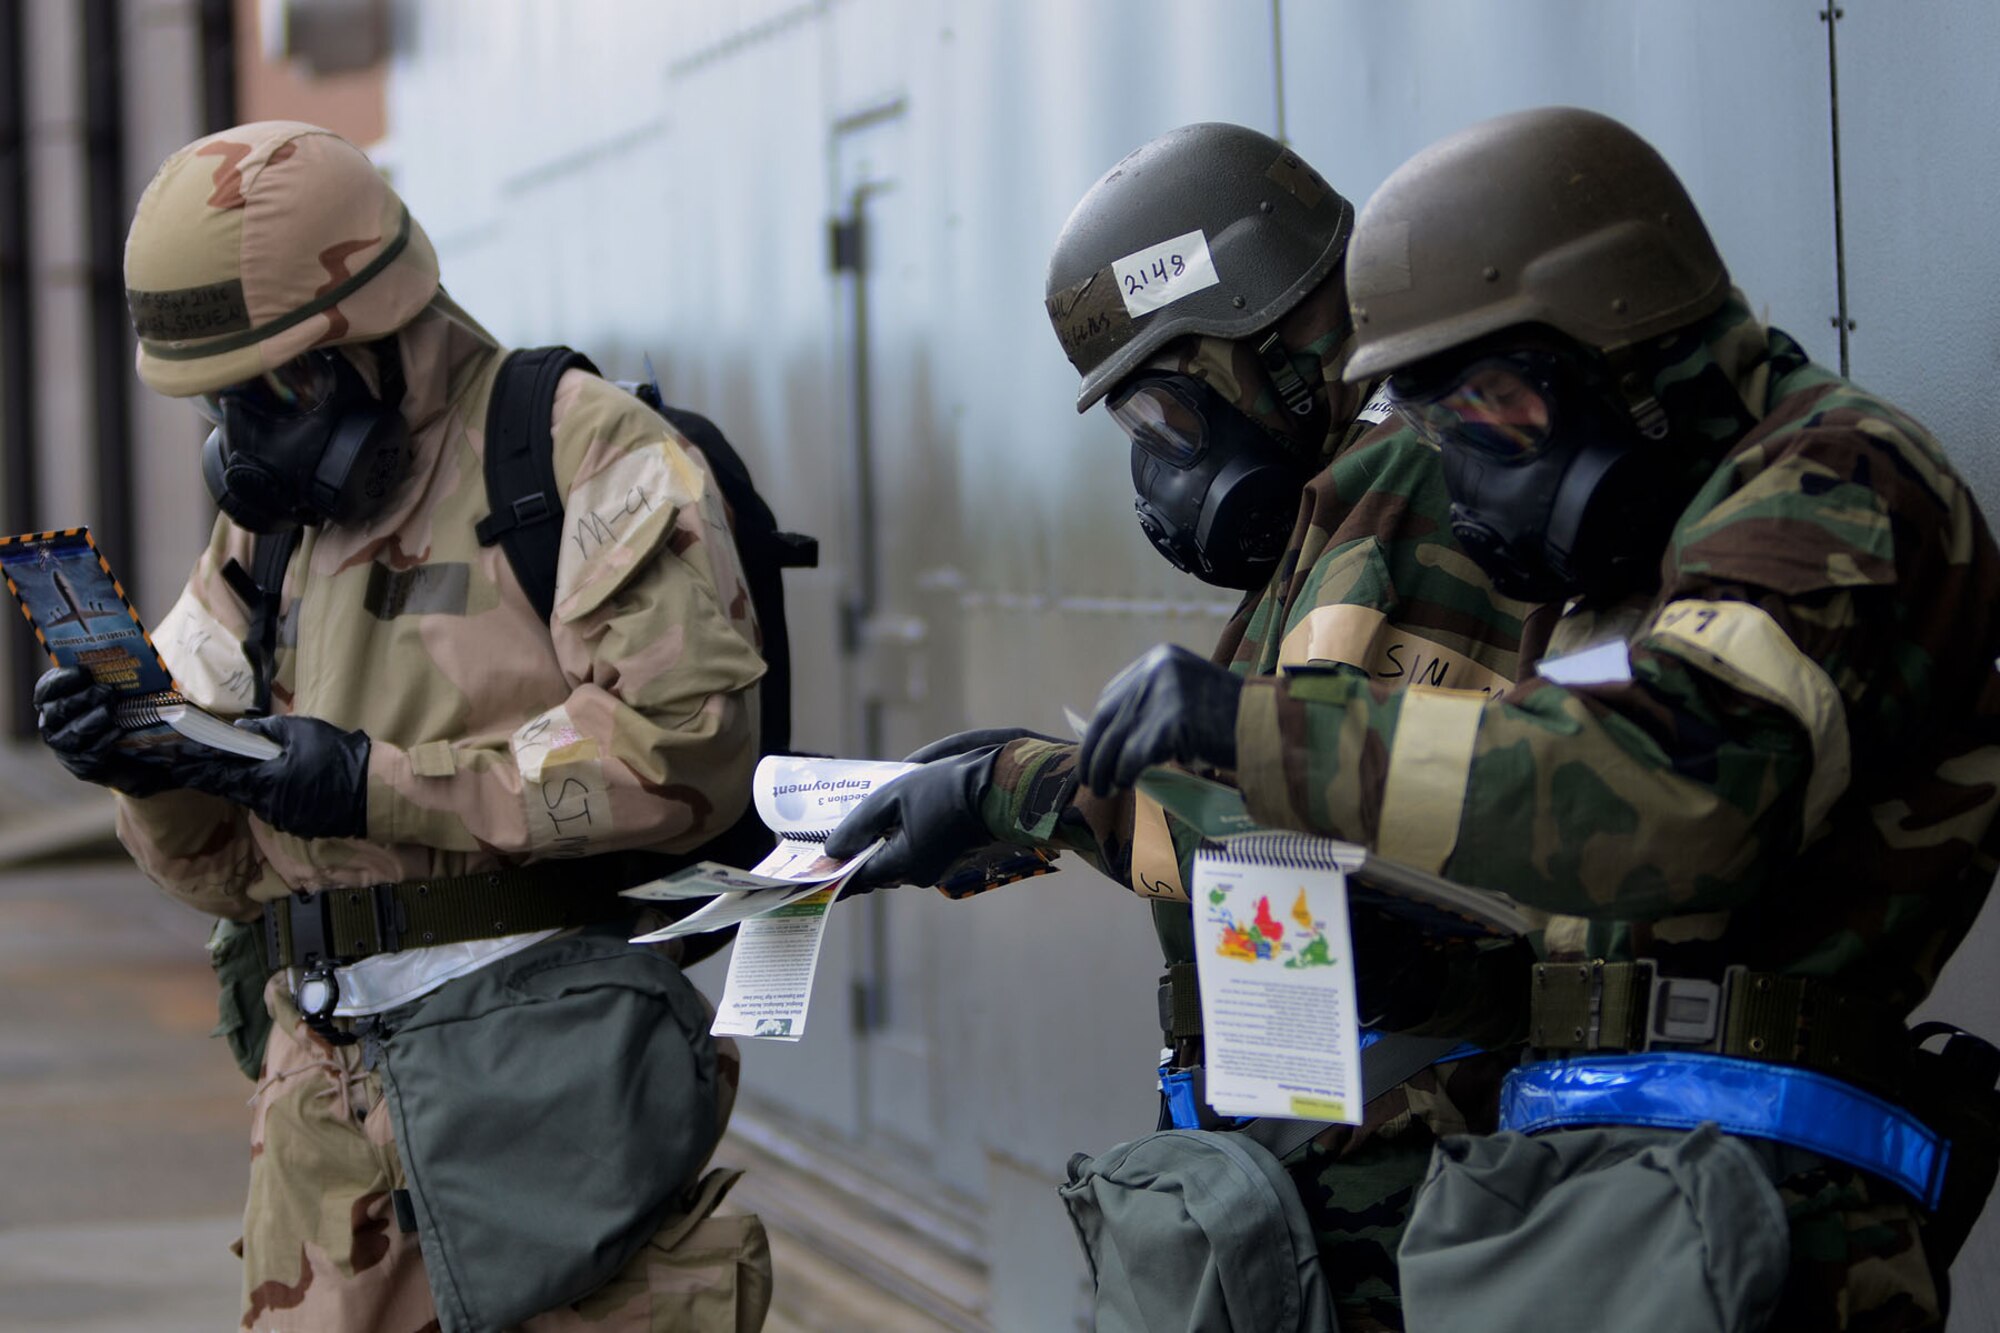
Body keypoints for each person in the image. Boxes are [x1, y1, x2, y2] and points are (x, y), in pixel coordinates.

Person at [1076, 105, 2000, 1331]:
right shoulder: (1630, 565)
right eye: (1438, 427)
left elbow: (1673, 794)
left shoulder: (1836, 483)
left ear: (1626, 337)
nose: (1464, 480)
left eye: (1497, 411)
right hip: (1594, 1198)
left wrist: (1252, 729)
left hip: (1763, 1218)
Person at [34, 121, 774, 1331]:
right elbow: (225, 872)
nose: (241, 444)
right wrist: (142, 765)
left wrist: (375, 784)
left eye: (265, 395)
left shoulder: (579, 454)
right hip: (323, 1138)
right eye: (219, 405)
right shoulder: (269, 535)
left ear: (358, 343)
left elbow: (680, 754)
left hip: (544, 1111)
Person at [827, 122, 1544, 1329]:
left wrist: (1023, 791)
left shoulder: (1409, 496)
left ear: (1270, 351)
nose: (1159, 472)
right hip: (1343, 1158)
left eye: (1163, 418)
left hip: (1409, 1179)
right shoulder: (1350, 498)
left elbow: (1309, 839)